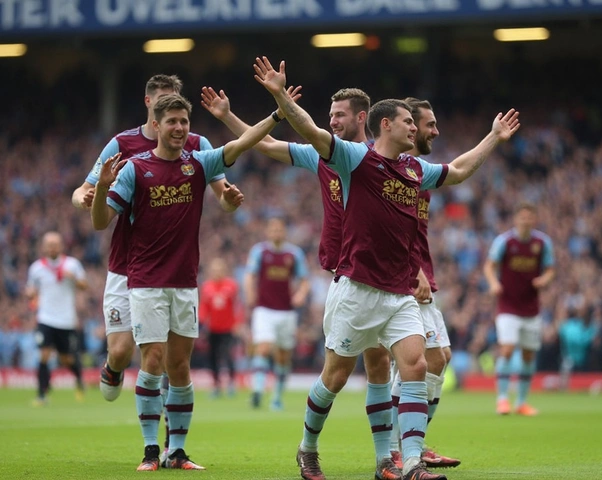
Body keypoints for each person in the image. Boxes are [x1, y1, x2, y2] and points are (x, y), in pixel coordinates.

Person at [254, 55, 520, 480]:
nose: (413, 128)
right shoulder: (353, 160)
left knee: (416, 366)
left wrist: (493, 137)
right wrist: (280, 95)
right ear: (383, 125)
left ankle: (408, 462)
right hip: (356, 289)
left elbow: (462, 169)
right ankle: (307, 448)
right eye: (406, 122)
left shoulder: (415, 169)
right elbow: (309, 129)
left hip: (399, 294)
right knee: (335, 378)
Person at [202, 86, 404, 480]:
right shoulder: (323, 154)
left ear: (362, 118)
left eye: (340, 114)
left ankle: (386, 460)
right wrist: (228, 116)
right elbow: (270, 144)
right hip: (347, 277)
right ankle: (307, 448)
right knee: (337, 375)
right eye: (330, 114)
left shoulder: (391, 162)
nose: (332, 120)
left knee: (381, 364)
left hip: (384, 279)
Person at [91, 93, 279, 471]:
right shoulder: (134, 169)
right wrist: (100, 187)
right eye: (172, 122)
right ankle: (149, 450)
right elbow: (99, 222)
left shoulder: (200, 162)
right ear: (156, 125)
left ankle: (176, 450)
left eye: (184, 122)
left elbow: (245, 141)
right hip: (145, 281)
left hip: (184, 281)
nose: (179, 128)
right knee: (154, 359)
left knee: (180, 366)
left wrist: (279, 112)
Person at [71, 74, 228, 405]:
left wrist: (229, 199)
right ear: (149, 105)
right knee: (121, 350)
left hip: (170, 268)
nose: (174, 121)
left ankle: (170, 439)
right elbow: (83, 190)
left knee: (169, 360)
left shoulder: (197, 145)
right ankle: (113, 368)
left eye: (177, 108)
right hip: (126, 265)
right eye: (163, 106)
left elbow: (222, 192)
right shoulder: (122, 145)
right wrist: (86, 198)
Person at [389, 98, 460, 470]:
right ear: (411, 127)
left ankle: (414, 442)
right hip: (406, 278)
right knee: (421, 361)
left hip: (422, 276)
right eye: (429, 124)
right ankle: (401, 447)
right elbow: (394, 229)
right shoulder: (395, 172)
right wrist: (414, 269)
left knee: (441, 358)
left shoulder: (418, 172)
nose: (434, 131)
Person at [483, 202, 555, 416]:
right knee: (507, 348)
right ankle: (502, 399)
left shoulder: (542, 243)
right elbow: (489, 265)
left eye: (529, 217)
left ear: (534, 220)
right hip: (507, 305)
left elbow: (551, 269)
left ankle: (521, 402)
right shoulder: (505, 241)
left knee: (528, 356)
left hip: (531, 307)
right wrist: (494, 283)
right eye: (522, 217)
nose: (526, 221)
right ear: (516, 219)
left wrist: (545, 280)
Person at [244, 216, 310, 410]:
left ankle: (277, 396)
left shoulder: (294, 254)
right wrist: (249, 293)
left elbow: (304, 279)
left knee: (283, 356)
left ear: (284, 232)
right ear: (268, 232)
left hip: (286, 311)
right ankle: (257, 390)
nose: (276, 233)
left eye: (279, 230)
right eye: (273, 230)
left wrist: (300, 294)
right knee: (263, 348)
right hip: (264, 309)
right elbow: (250, 274)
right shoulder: (259, 251)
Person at [25, 232, 88, 406]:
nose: (52, 247)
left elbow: (84, 285)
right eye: (49, 244)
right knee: (43, 355)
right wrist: (30, 294)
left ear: (61, 246)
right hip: (45, 318)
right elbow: (30, 290)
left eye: (55, 244)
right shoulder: (37, 268)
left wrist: (73, 278)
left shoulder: (72, 265)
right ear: (43, 247)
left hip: (66, 320)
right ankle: (41, 394)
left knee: (67, 359)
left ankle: (78, 377)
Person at [199, 257, 241, 398]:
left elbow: (237, 305)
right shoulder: (207, 286)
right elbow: (204, 307)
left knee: (228, 355)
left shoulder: (231, 285)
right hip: (212, 328)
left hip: (228, 327)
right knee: (213, 357)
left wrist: (238, 322)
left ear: (224, 270)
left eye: (220, 269)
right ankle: (216, 385)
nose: (217, 272)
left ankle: (231, 384)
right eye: (215, 270)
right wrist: (202, 322)